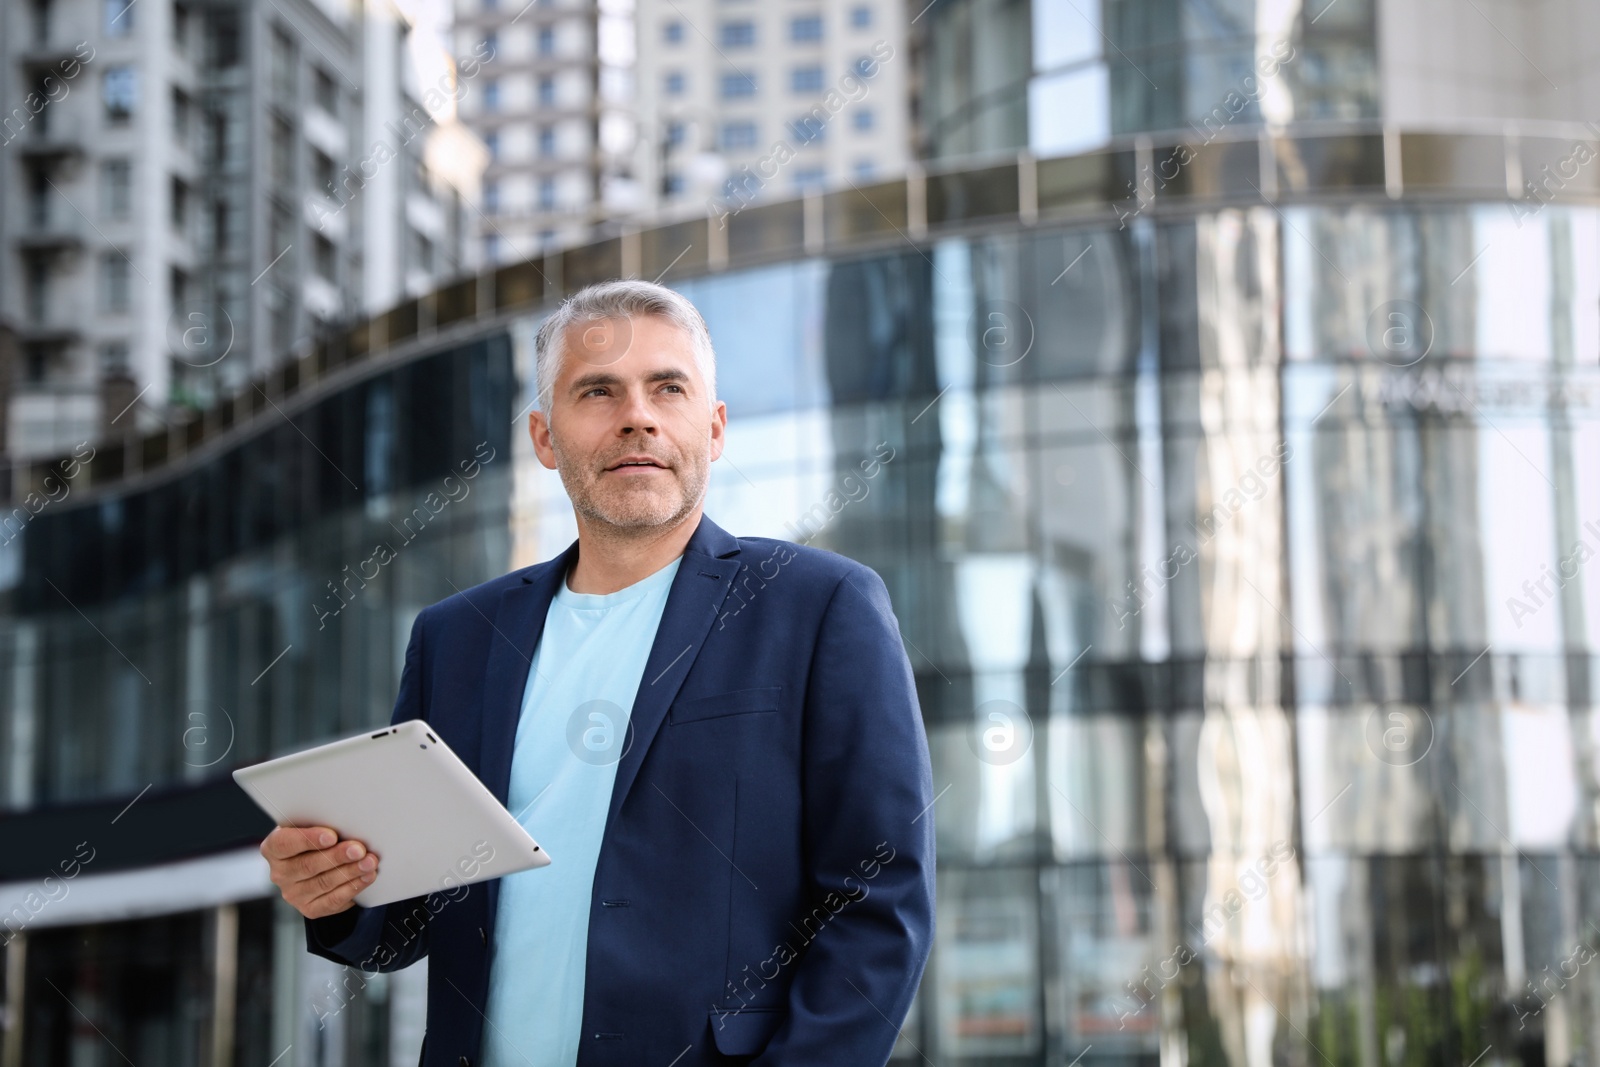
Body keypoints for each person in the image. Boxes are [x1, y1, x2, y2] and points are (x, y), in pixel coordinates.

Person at [258, 279, 936, 1067]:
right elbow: (411, 920)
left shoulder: (821, 607)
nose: (637, 415)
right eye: (598, 391)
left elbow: (879, 899)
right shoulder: (457, 638)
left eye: (668, 388)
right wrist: (336, 892)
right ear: (545, 438)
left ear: (713, 430)